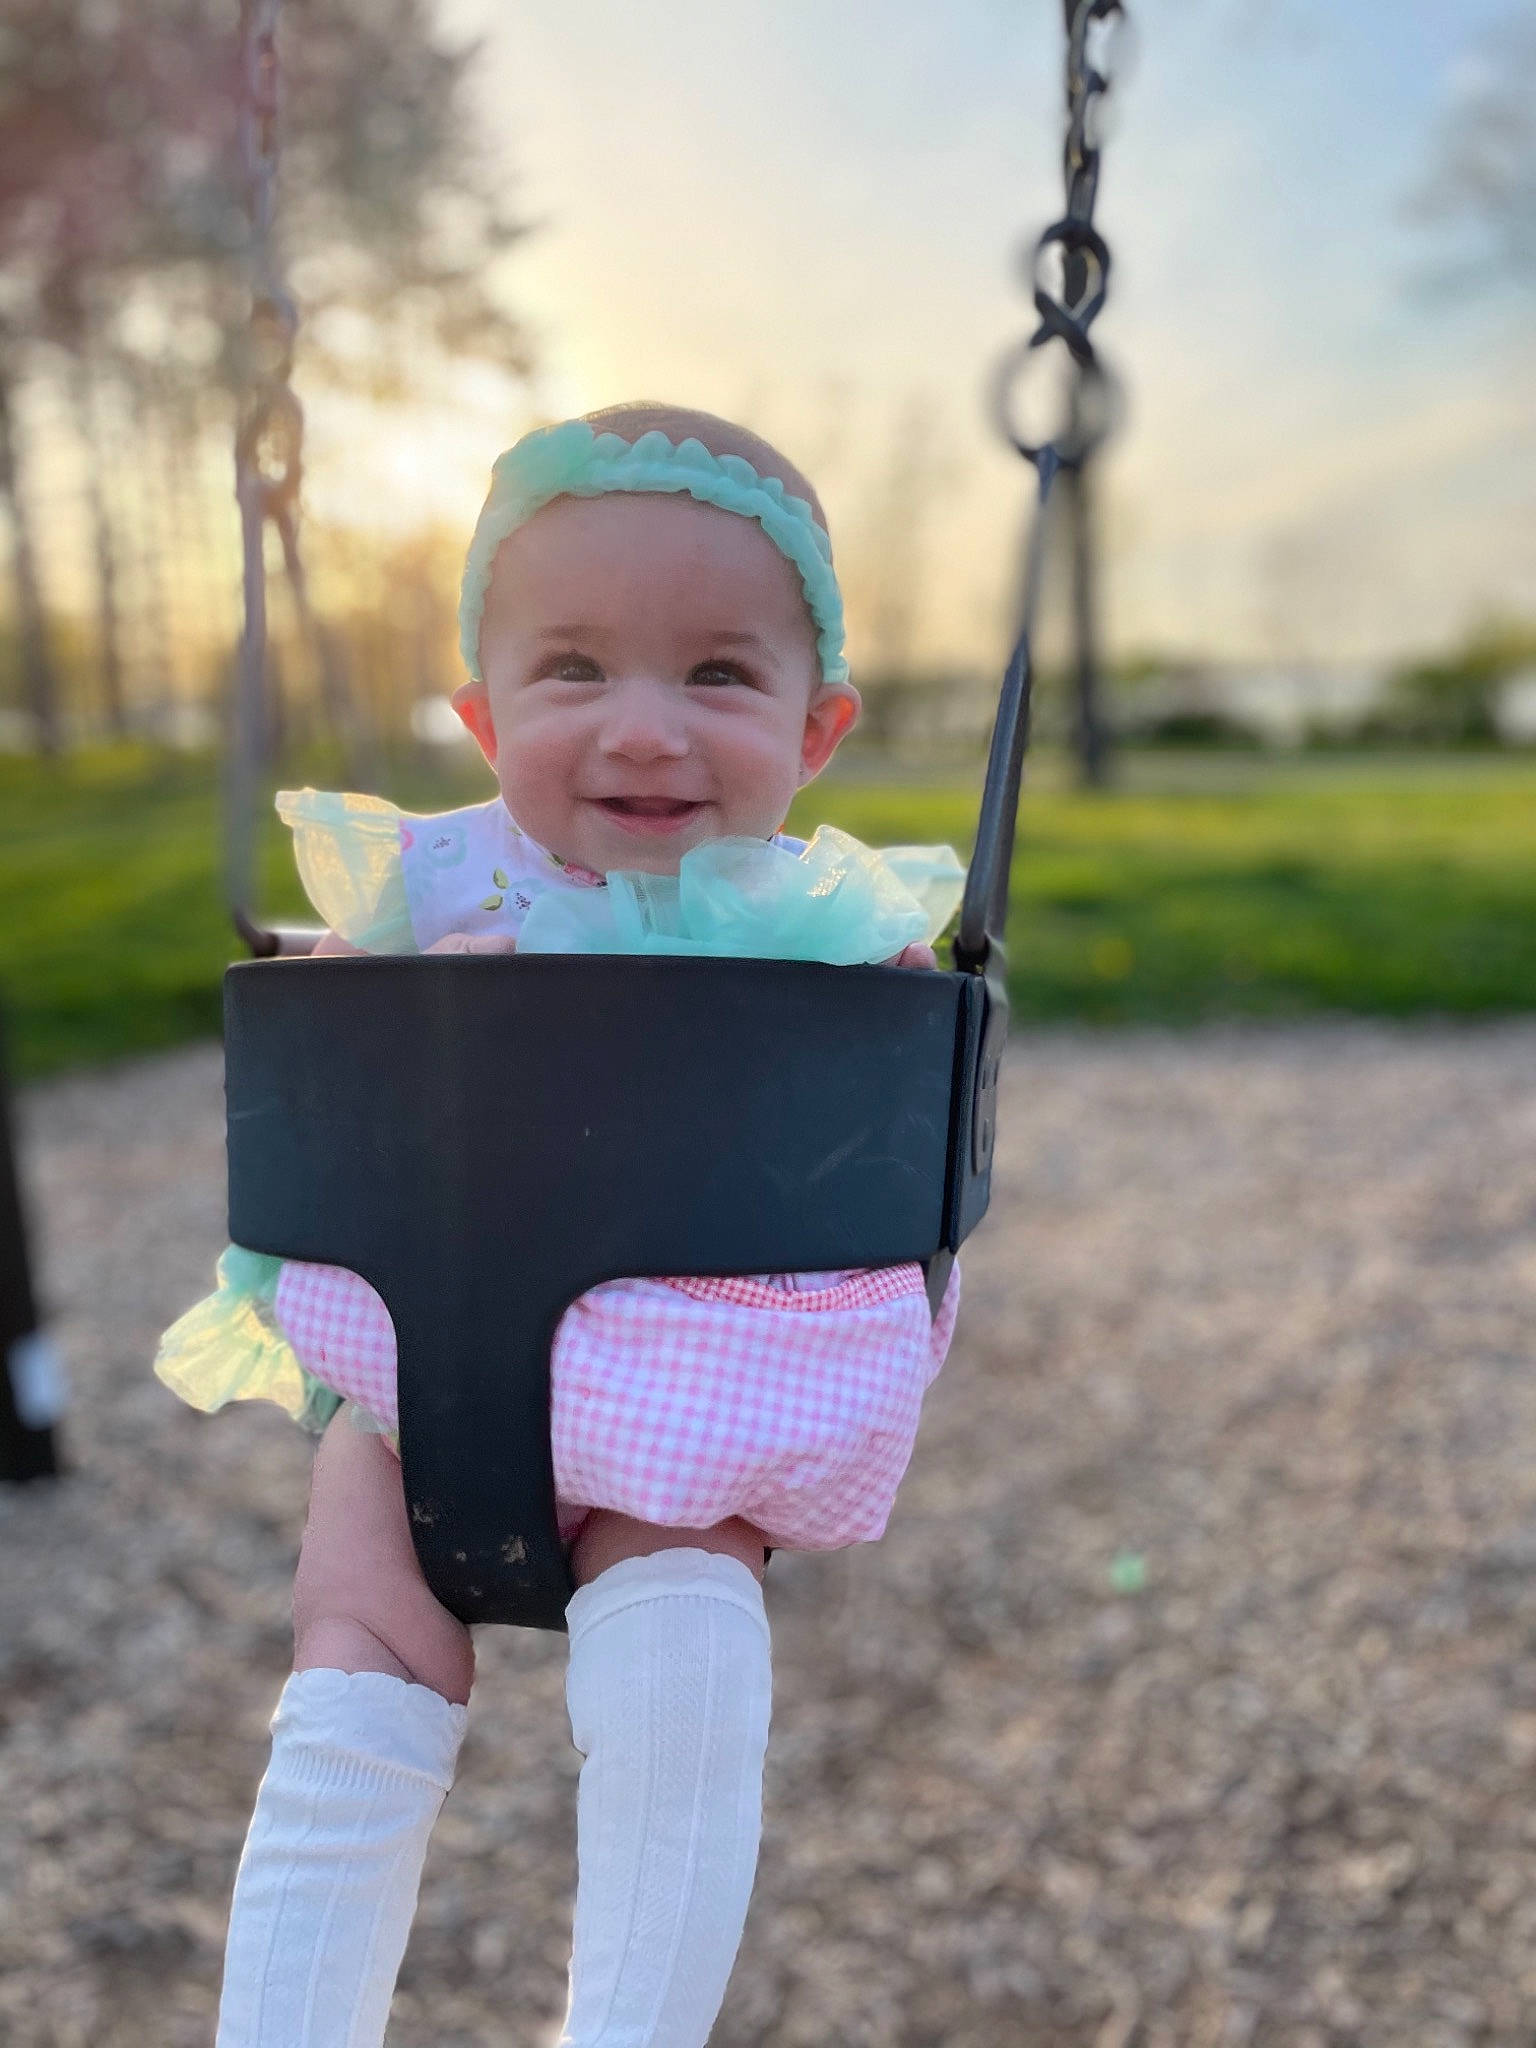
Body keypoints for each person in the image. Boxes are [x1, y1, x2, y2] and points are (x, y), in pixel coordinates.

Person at [156, 401, 964, 2048]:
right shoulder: (430, 888)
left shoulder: (819, 912)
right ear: (481, 713)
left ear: (818, 730)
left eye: (720, 676)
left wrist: (880, 1001)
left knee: (689, 1676)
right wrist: (385, 998)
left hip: (684, 1425)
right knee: (350, 1678)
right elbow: (327, 1061)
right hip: (421, 1403)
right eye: (576, 669)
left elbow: (876, 1089)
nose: (646, 731)